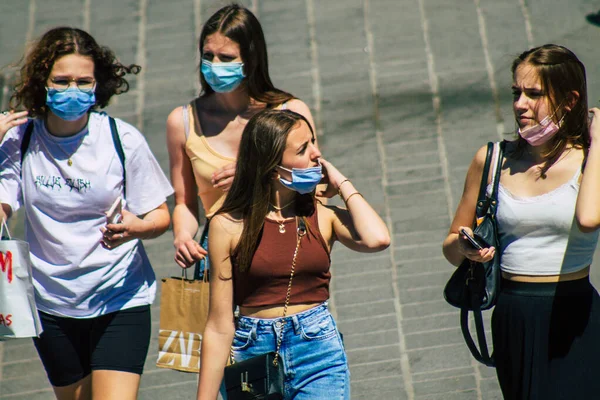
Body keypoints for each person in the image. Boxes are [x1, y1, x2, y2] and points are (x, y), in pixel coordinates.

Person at [0, 27, 173, 400]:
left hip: (119, 298)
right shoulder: (21, 139)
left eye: (83, 81)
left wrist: (136, 227)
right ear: (42, 83)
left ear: (99, 85)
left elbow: (161, 216)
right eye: (61, 81)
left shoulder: (121, 140)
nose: (72, 90)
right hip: (51, 305)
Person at [196, 109, 390, 399]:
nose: (317, 154)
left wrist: (341, 182)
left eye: (313, 142)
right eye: (303, 149)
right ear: (273, 168)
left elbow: (378, 239)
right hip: (252, 352)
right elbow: (219, 324)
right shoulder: (228, 225)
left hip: (317, 352)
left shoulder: (321, 214)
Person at [442, 44, 600, 399]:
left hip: (574, 313)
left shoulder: (591, 162)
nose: (520, 104)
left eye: (534, 94)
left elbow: (589, 220)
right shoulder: (493, 159)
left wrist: (599, 138)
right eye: (517, 93)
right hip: (514, 314)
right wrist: (466, 249)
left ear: (570, 100)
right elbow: (451, 246)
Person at [166, 4, 318, 275]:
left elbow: (315, 185)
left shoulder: (290, 113)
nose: (214, 66)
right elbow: (185, 202)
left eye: (226, 58)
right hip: (220, 256)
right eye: (208, 56)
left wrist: (253, 175)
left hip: (279, 250)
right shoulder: (183, 121)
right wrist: (182, 237)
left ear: (251, 60)